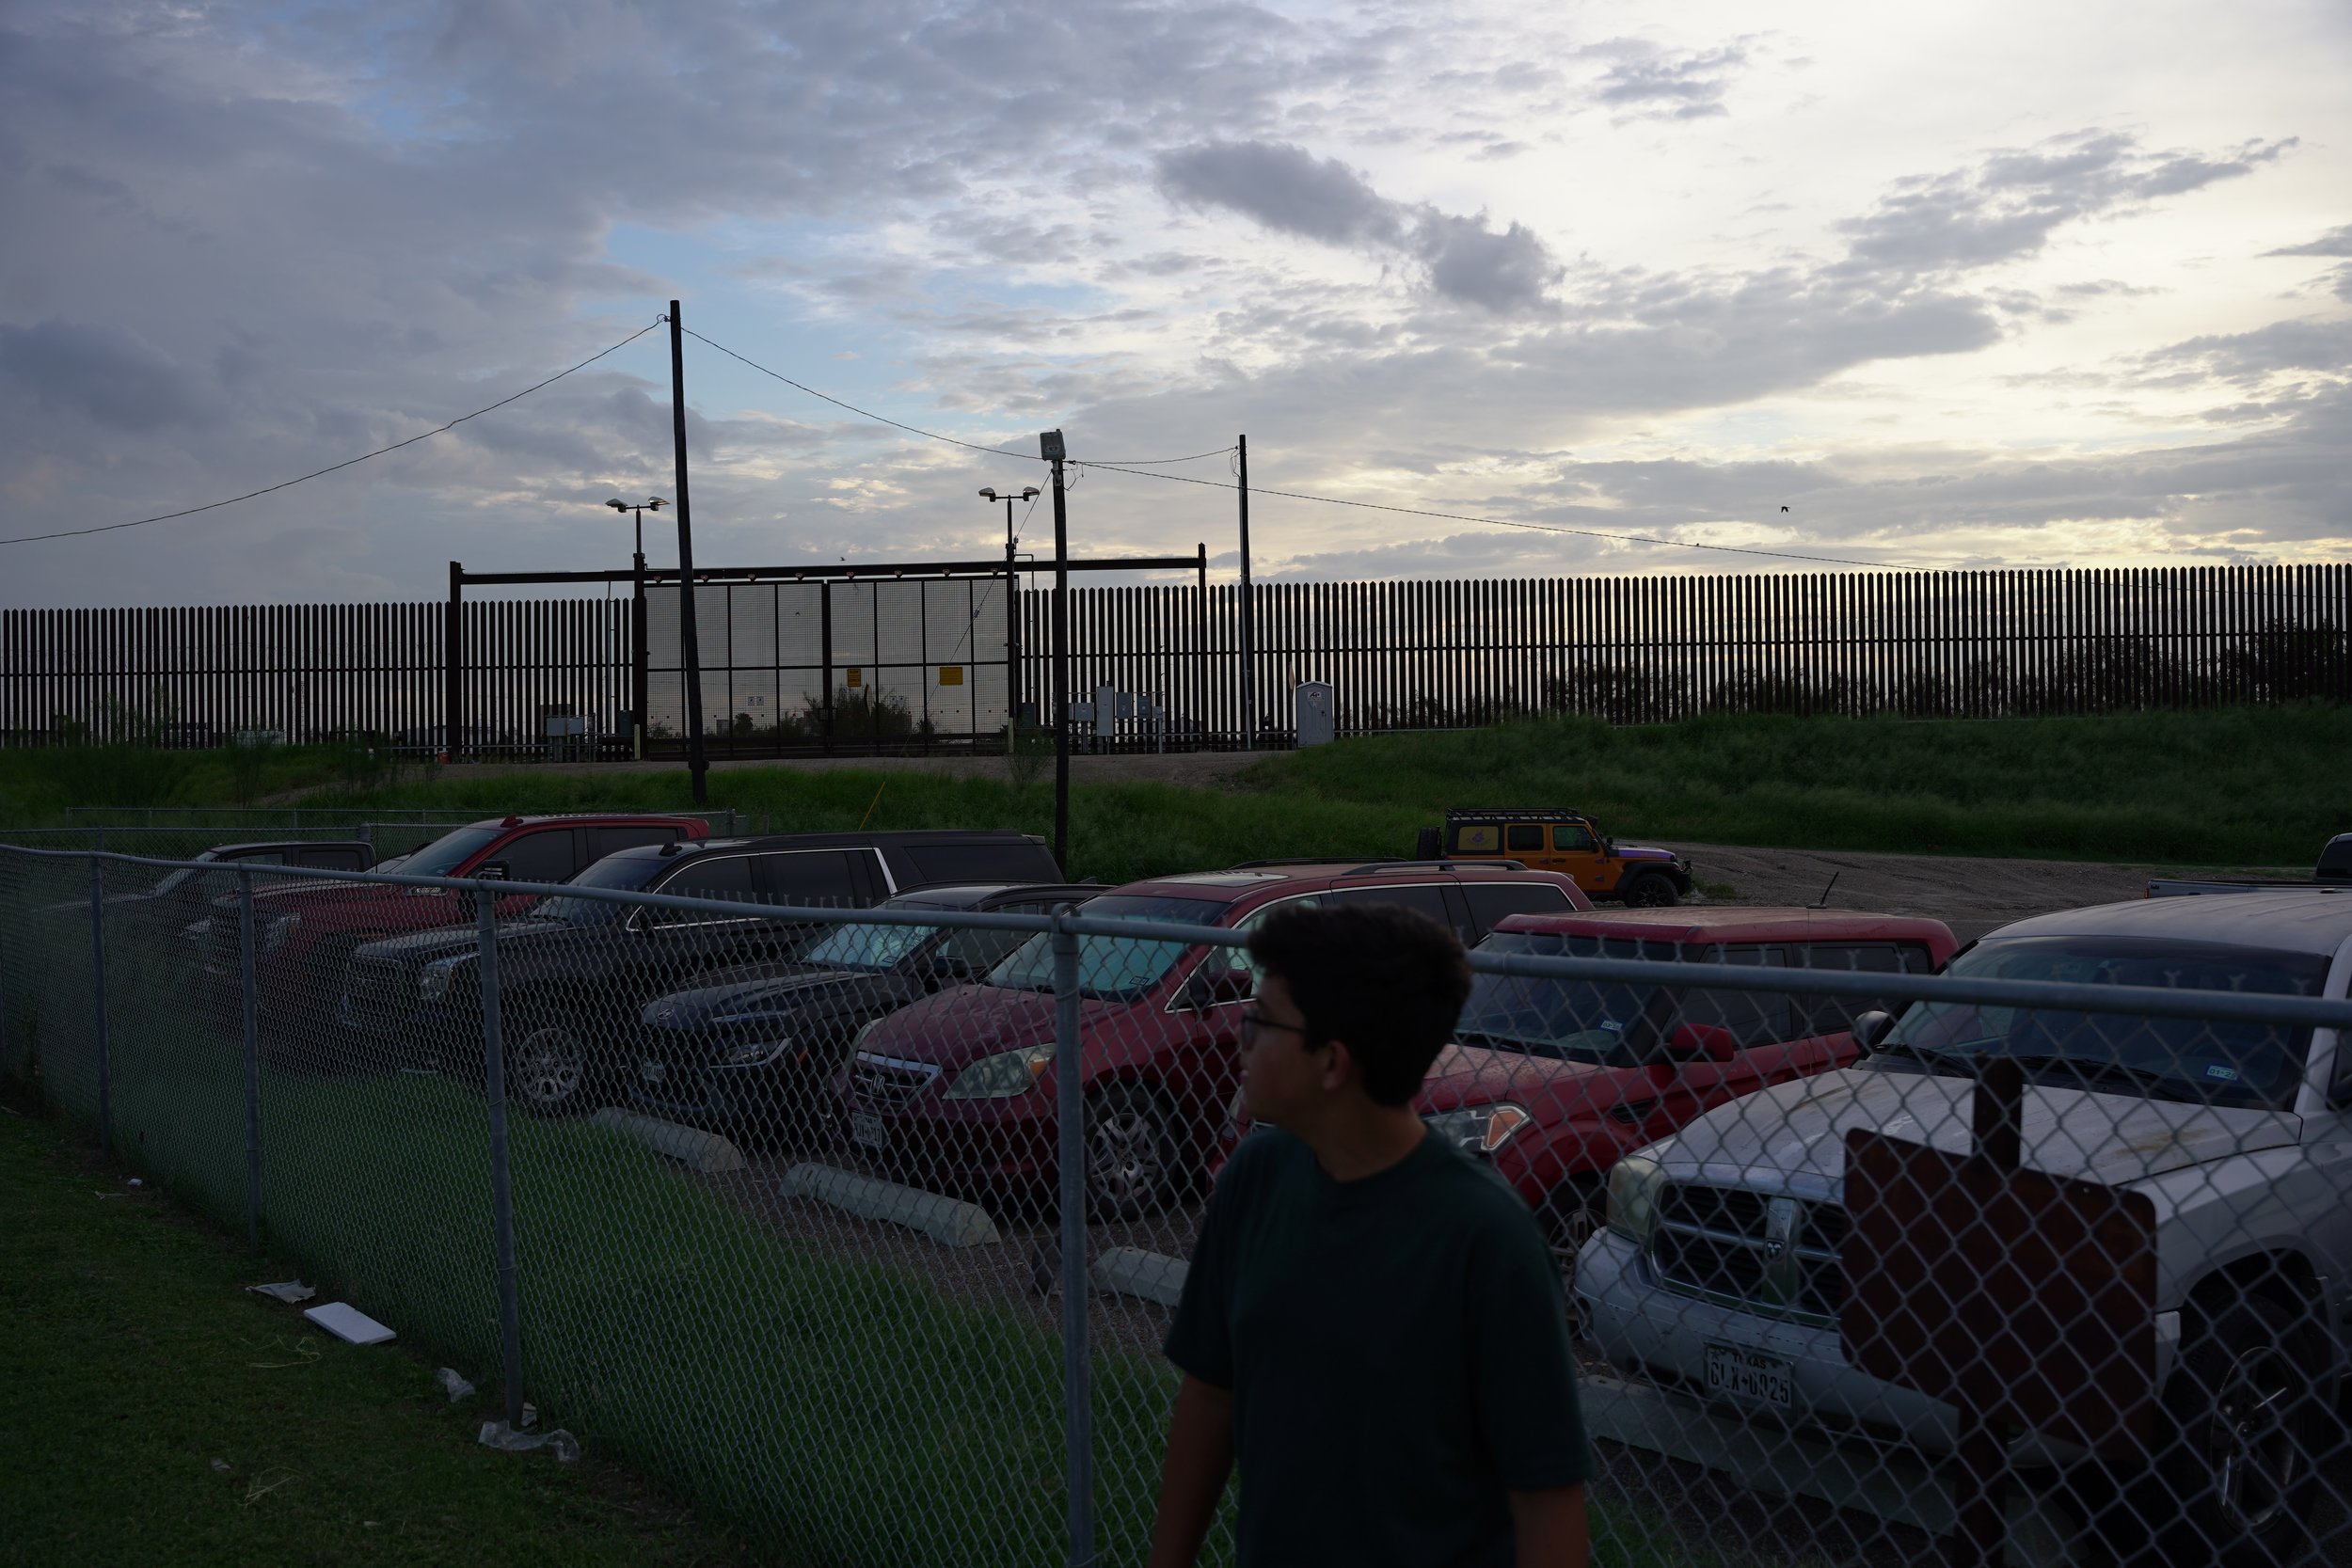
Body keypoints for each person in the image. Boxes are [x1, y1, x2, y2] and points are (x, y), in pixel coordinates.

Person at [1148, 901, 1591, 1568]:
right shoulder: (1256, 1178)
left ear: (1332, 1063)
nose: (1239, 1039)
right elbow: (1212, 1393)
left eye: (1258, 1021)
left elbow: (1547, 1500)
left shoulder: (1487, 1241)